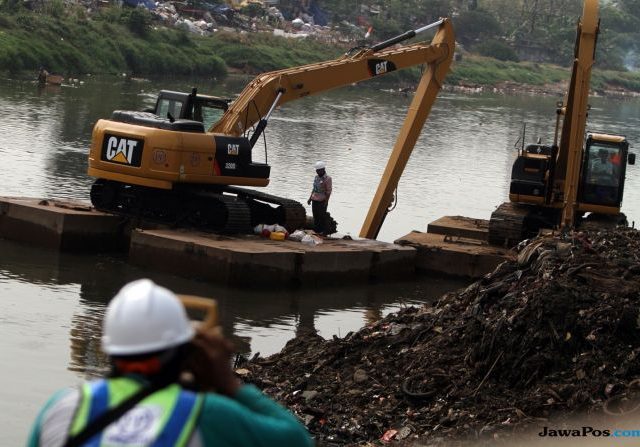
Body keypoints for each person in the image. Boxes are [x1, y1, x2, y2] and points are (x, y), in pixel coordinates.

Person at [27, 279, 314, 447]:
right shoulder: (206, 415)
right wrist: (227, 383)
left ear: (110, 350)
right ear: (184, 350)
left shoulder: (61, 408)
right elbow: (298, 441)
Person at [307, 161, 332, 235]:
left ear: (323, 170)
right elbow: (314, 189)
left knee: (321, 216)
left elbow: (328, 191)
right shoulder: (316, 177)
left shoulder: (328, 179)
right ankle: (317, 230)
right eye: (316, 170)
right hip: (315, 199)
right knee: (316, 216)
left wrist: (326, 201)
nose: (317, 172)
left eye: (318, 170)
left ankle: (322, 231)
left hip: (322, 201)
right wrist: (310, 198)